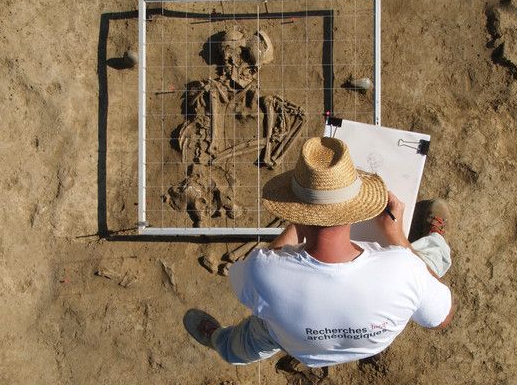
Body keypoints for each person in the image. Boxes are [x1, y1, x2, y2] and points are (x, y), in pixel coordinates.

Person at [183, 137, 454, 367]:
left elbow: (247, 279)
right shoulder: (404, 269)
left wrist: (297, 224)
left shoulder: (261, 271)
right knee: (427, 263)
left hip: (290, 339)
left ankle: (219, 340)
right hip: (369, 343)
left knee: (244, 342)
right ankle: (435, 238)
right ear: (359, 206)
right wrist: (396, 237)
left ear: (294, 209)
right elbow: (442, 320)